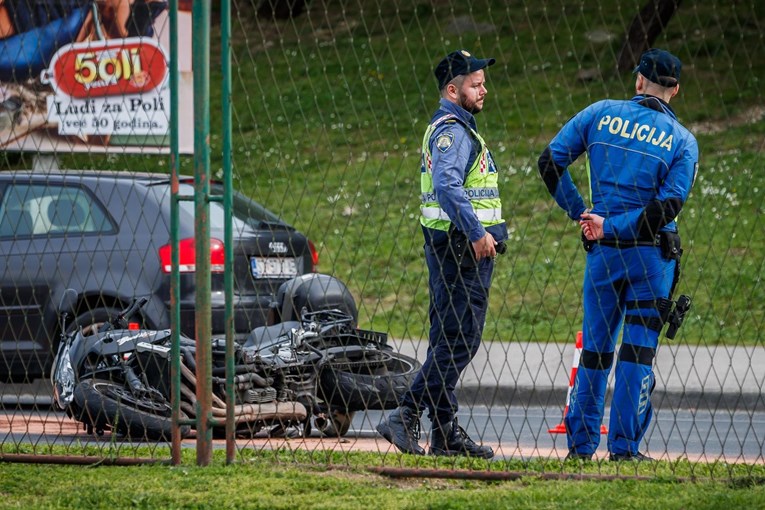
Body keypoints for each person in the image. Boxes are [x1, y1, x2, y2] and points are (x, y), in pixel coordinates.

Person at [537, 48, 699, 461]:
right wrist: (616, 226)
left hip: (603, 255)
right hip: (651, 258)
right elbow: (666, 209)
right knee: (637, 350)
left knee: (594, 349)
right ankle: (625, 449)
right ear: (675, 90)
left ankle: (580, 447)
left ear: (638, 81)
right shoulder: (682, 141)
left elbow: (549, 162)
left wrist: (584, 215)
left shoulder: (600, 112)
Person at [376, 49, 507, 458]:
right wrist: (476, 232)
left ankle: (445, 433)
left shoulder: (458, 129)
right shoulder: (451, 131)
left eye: (484, 82)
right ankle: (406, 414)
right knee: (460, 341)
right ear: (453, 89)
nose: (483, 89)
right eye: (475, 83)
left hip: (450, 249)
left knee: (445, 341)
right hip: (461, 250)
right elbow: (448, 185)